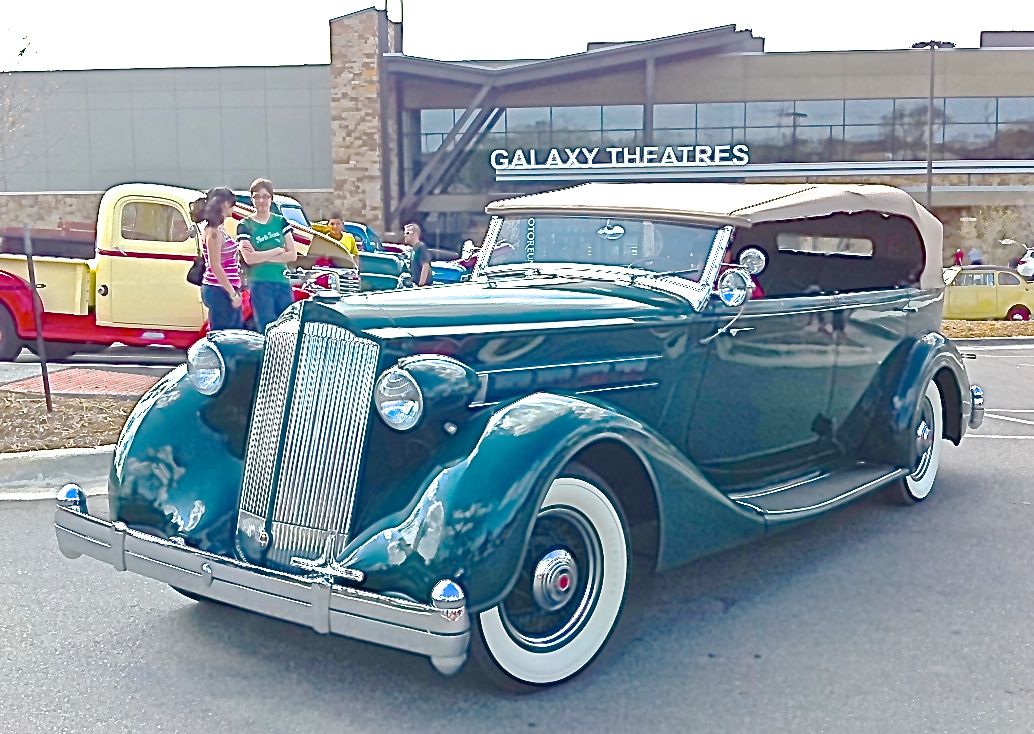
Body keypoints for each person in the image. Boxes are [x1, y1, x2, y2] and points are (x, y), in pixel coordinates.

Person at [236, 179, 298, 332]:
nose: (261, 201)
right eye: (257, 197)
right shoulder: (245, 225)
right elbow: (249, 259)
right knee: (266, 327)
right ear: (252, 200)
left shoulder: (281, 222)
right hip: (260, 284)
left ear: (272, 198)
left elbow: (292, 255)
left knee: (288, 327)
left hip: (282, 282)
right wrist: (277, 250)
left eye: (265, 196)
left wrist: (260, 256)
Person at [189, 187, 243, 330]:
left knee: (228, 331)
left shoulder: (218, 229)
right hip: (219, 289)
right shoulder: (214, 232)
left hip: (222, 288)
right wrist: (232, 294)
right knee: (225, 332)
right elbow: (215, 265)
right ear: (225, 204)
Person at [404, 221, 432, 286]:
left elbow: (425, 266)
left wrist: (421, 285)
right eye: (405, 233)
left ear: (415, 234)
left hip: (423, 288)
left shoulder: (421, 247)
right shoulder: (413, 249)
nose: (405, 235)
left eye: (407, 233)